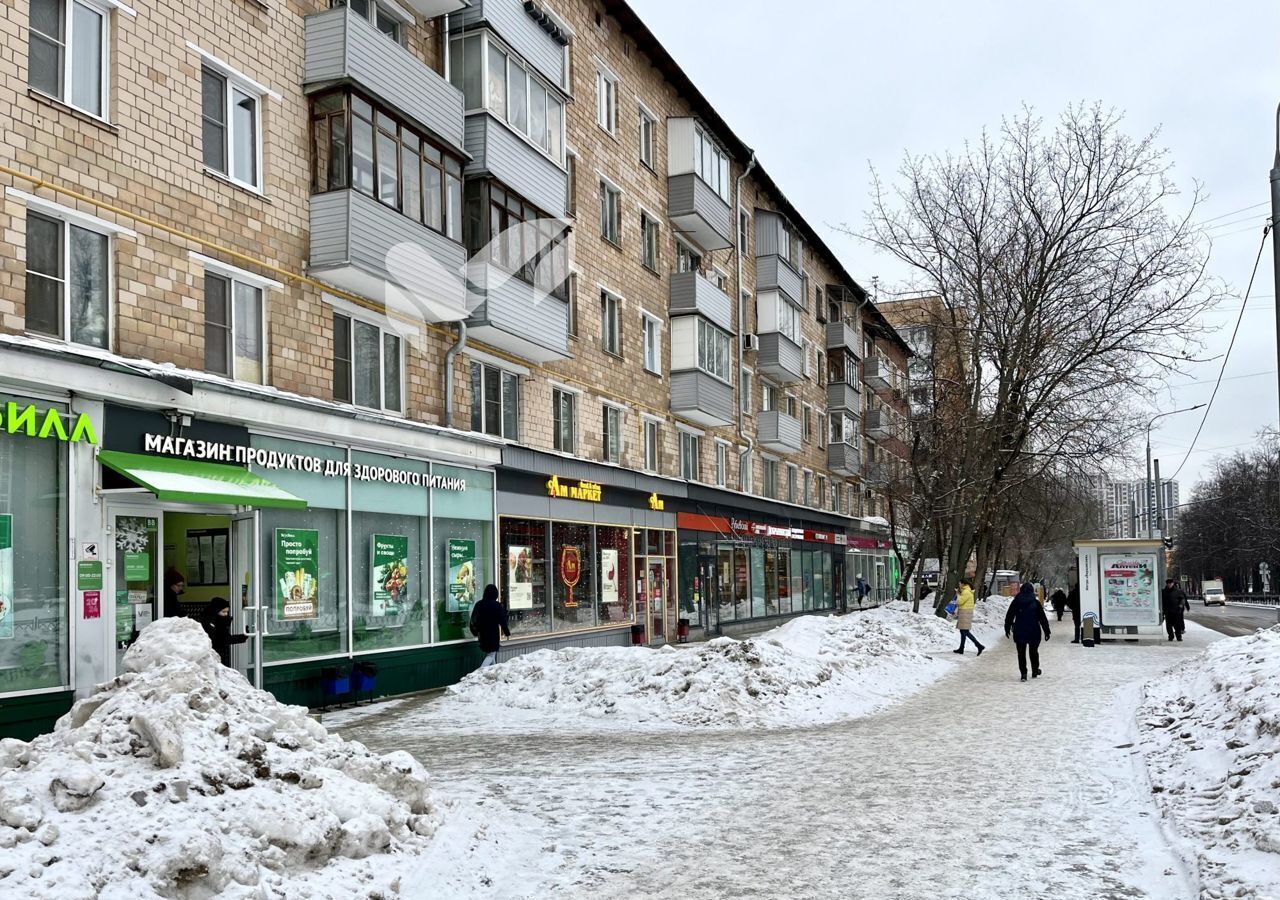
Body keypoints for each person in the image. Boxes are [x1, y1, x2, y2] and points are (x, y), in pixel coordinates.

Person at [1004, 582, 1051, 682]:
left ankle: (1023, 674)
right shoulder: (1035, 602)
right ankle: (1035, 670)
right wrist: (1047, 631)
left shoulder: (1016, 601)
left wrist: (1007, 627)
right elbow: (1042, 618)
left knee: (1021, 653)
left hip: (1019, 629)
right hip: (1034, 630)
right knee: (1033, 652)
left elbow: (1010, 616)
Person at [469, 583, 510, 668]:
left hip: (482, 635)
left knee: (491, 654)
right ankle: (480, 672)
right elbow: (502, 621)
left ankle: (494, 674)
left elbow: (473, 619)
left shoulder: (479, 604)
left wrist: (475, 632)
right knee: (491, 655)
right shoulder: (497, 606)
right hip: (493, 635)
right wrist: (507, 632)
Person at [198, 597, 247, 667]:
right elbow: (222, 639)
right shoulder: (210, 623)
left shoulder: (219, 621)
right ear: (215, 611)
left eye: (227, 612)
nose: (226, 614)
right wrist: (243, 636)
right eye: (223, 612)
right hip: (212, 655)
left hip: (218, 653)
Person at [952, 578, 985, 656]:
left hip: (965, 612)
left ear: (963, 584)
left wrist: (958, 594)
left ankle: (979, 645)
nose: (959, 585)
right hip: (965, 612)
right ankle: (961, 648)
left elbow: (959, 602)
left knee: (965, 631)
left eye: (960, 583)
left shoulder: (966, 591)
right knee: (962, 631)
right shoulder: (966, 591)